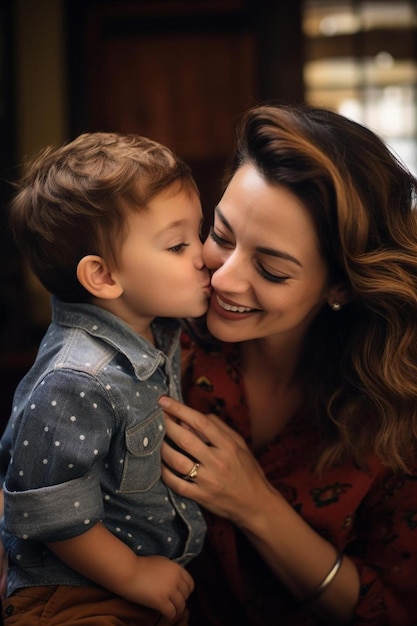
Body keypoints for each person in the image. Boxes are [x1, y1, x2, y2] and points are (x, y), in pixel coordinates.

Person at [157, 103, 417, 626]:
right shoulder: (157, 343)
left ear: (341, 285)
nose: (225, 279)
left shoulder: (395, 415)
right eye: (222, 237)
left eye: (272, 270)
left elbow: (393, 610)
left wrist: (255, 504)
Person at [0, 132, 211, 625]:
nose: (203, 255)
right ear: (102, 277)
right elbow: (52, 513)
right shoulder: (78, 379)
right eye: (179, 245)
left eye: (199, 234)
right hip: (75, 596)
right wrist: (134, 574)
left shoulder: (154, 329)